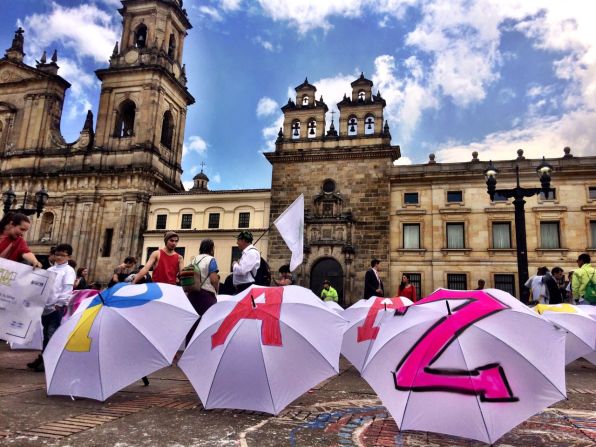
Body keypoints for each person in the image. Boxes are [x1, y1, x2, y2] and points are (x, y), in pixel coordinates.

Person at [27, 243, 76, 372]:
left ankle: (48, 361)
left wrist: (59, 303)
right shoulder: (50, 270)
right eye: (57, 254)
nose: (59, 257)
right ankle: (43, 357)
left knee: (51, 333)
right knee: (44, 334)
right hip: (45, 307)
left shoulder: (69, 271)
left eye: (62, 255)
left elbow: (67, 288)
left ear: (68, 257)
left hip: (56, 307)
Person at [185, 239, 219, 344]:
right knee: (206, 324)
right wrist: (217, 288)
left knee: (193, 324)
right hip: (206, 296)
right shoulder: (211, 260)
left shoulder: (194, 260)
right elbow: (213, 279)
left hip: (191, 295)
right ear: (211, 248)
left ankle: (189, 350)